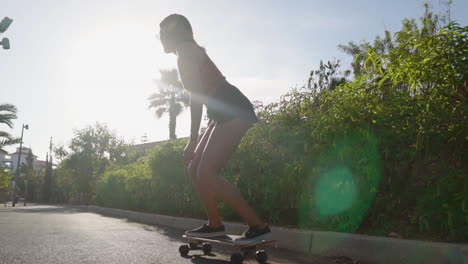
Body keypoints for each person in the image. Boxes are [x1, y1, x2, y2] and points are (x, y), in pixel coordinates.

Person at [158, 14, 271, 244]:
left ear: (172, 34)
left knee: (206, 172)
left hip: (233, 109)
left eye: (162, 34)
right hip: (221, 112)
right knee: (195, 168)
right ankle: (215, 225)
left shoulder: (186, 52)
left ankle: (258, 227)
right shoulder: (185, 51)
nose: (160, 39)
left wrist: (191, 140)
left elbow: (196, 98)